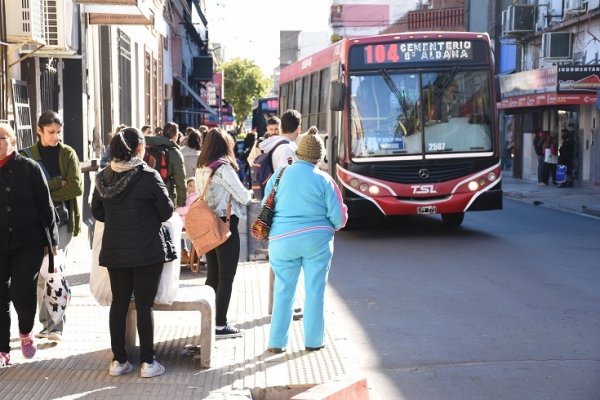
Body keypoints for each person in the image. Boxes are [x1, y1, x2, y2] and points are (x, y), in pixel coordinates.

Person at [91, 127, 174, 378]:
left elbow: (97, 212)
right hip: (147, 250)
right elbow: (166, 211)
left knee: (119, 303)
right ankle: (148, 363)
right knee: (144, 305)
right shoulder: (148, 176)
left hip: (116, 251)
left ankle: (119, 361)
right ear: (139, 148)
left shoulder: (103, 177)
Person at [266, 127, 348, 354]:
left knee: (283, 290)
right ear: (319, 157)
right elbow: (339, 219)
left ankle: (276, 342)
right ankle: (313, 341)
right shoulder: (325, 180)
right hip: (317, 243)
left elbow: (266, 202)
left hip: (282, 241)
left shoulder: (280, 174)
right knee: (315, 290)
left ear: (299, 153)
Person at [20, 110, 82, 342]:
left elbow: (75, 188)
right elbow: (27, 191)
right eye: (50, 132)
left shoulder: (68, 154)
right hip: (35, 223)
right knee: (40, 276)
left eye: (58, 132)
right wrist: (57, 183)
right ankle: (46, 324)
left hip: (62, 222)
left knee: (55, 271)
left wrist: (44, 190)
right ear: (39, 131)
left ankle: (56, 326)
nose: (55, 137)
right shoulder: (26, 156)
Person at [0, 123, 59, 367]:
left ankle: (25, 331)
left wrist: (52, 242)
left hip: (30, 242)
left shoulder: (30, 168)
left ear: (12, 141)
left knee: (21, 290)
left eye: (1, 138)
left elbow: (46, 206)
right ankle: (2, 350)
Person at [195, 128, 252, 338]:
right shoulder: (223, 168)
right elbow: (244, 196)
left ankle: (209, 321)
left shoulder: (202, 168)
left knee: (213, 275)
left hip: (208, 225)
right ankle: (220, 325)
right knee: (226, 277)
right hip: (226, 227)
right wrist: (250, 191)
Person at [145, 122, 187, 207]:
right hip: (165, 197)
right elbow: (180, 181)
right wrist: (181, 203)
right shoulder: (174, 153)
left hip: (145, 195)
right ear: (175, 136)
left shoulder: (147, 147)